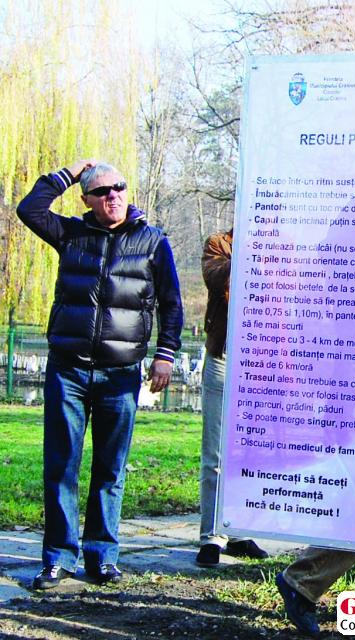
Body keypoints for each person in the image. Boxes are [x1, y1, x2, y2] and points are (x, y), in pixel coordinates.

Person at [17, 160, 183, 589]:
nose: (113, 196)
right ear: (86, 199)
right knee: (62, 466)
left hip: (120, 374)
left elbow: (171, 303)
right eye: (102, 190)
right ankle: (58, 558)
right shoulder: (71, 234)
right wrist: (69, 172)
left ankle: (102, 556)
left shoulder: (152, 242)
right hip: (68, 370)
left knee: (111, 469)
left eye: (119, 187)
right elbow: (29, 210)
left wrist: (165, 354)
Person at [196, 228, 268, 567]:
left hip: (261, 361)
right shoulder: (219, 244)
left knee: (250, 453)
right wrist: (250, 253)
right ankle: (212, 535)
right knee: (216, 452)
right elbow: (216, 279)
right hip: (224, 357)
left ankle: (239, 531)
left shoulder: (281, 245)